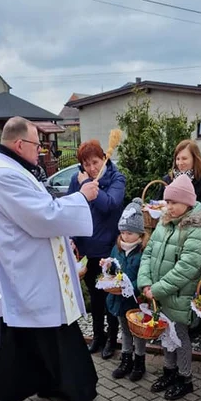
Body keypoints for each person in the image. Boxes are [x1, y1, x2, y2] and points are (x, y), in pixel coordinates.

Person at [0, 116, 99, 401]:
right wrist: (81, 197)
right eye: (37, 144)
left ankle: (59, 384)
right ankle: (1, 392)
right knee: (17, 331)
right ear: (19, 144)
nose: (41, 151)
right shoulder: (4, 176)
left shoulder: (14, 169)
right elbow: (43, 215)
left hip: (37, 264)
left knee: (52, 324)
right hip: (21, 268)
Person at [138, 175, 201, 400]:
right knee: (165, 334)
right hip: (159, 293)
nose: (169, 207)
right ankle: (169, 371)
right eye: (168, 202)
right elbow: (149, 252)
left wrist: (158, 289)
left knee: (179, 337)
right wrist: (145, 282)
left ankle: (185, 378)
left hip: (178, 295)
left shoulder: (196, 230)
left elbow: (186, 269)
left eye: (174, 203)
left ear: (188, 203)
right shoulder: (164, 223)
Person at [67, 139, 126, 360]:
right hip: (86, 249)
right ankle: (98, 337)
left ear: (104, 159)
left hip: (108, 249)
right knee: (94, 296)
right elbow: (70, 208)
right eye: (86, 164)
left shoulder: (116, 179)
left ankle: (112, 338)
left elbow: (111, 204)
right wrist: (72, 238)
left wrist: (90, 188)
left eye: (95, 162)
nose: (91, 168)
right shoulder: (78, 179)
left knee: (110, 295)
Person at [105, 198, 149, 382]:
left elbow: (144, 275)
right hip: (119, 299)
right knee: (124, 329)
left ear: (139, 234)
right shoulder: (117, 249)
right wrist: (107, 267)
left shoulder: (142, 252)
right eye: (123, 232)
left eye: (130, 233)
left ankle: (139, 361)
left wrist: (129, 284)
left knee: (138, 331)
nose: (125, 236)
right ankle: (126, 359)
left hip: (135, 300)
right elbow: (112, 270)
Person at [155, 140, 201, 206]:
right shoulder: (167, 180)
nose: (180, 163)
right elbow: (156, 204)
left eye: (184, 158)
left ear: (195, 159)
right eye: (178, 159)